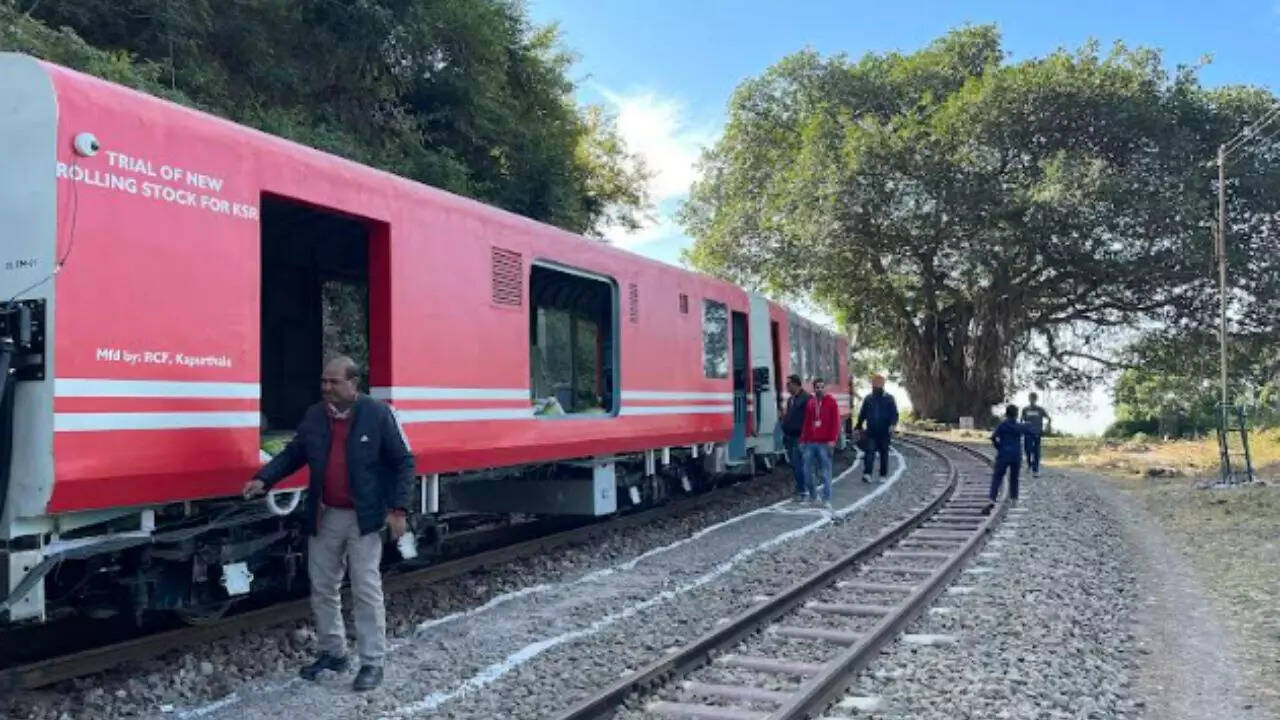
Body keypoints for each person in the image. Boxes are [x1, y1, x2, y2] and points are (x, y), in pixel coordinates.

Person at [243, 356, 415, 692]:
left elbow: (404, 461)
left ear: (353, 384)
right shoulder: (315, 416)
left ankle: (372, 662)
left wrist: (398, 509)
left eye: (333, 382)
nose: (326, 387)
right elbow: (294, 453)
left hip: (364, 517)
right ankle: (333, 653)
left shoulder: (378, 414)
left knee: (365, 589)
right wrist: (264, 479)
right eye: (323, 381)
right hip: (326, 514)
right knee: (323, 587)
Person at [799, 377, 840, 508]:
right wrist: (803, 439)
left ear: (825, 388)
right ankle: (813, 496)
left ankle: (826, 499)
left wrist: (833, 440)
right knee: (807, 471)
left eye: (822, 387)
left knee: (826, 472)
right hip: (811, 442)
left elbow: (836, 423)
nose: (820, 389)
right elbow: (806, 422)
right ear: (814, 388)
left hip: (825, 443)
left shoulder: (831, 402)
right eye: (817, 387)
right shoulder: (811, 403)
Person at [855, 375, 899, 482]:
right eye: (875, 385)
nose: (876, 387)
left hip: (884, 431)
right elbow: (863, 414)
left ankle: (883, 475)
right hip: (871, 431)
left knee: (884, 453)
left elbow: (894, 414)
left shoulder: (889, 399)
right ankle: (867, 474)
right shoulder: (868, 399)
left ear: (883, 385)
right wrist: (858, 426)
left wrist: (892, 424)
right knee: (870, 452)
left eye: (878, 385)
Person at [985, 404, 1026, 514]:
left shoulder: (1002, 425)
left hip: (1003, 454)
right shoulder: (1019, 426)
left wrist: (998, 447)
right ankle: (1014, 500)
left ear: (1006, 414)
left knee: (997, 477)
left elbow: (993, 437)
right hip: (1016, 455)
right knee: (1014, 478)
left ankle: (992, 498)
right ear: (1016, 414)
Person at [780, 374, 811, 503]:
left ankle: (802, 490)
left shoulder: (807, 399)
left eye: (789, 384)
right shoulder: (791, 400)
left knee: (800, 464)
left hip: (801, 437)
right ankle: (801, 488)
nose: (787, 387)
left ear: (795, 384)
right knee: (795, 464)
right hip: (791, 436)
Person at [1021, 392, 1051, 477]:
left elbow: (1048, 418)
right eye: (1030, 398)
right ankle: (1029, 464)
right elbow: (1022, 419)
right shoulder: (1025, 409)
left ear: (1036, 399)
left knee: (1036, 451)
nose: (1032, 400)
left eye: (1033, 399)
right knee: (1027, 449)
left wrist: (1048, 426)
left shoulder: (1040, 409)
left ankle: (1035, 469)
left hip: (1037, 433)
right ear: (1029, 399)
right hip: (1027, 432)